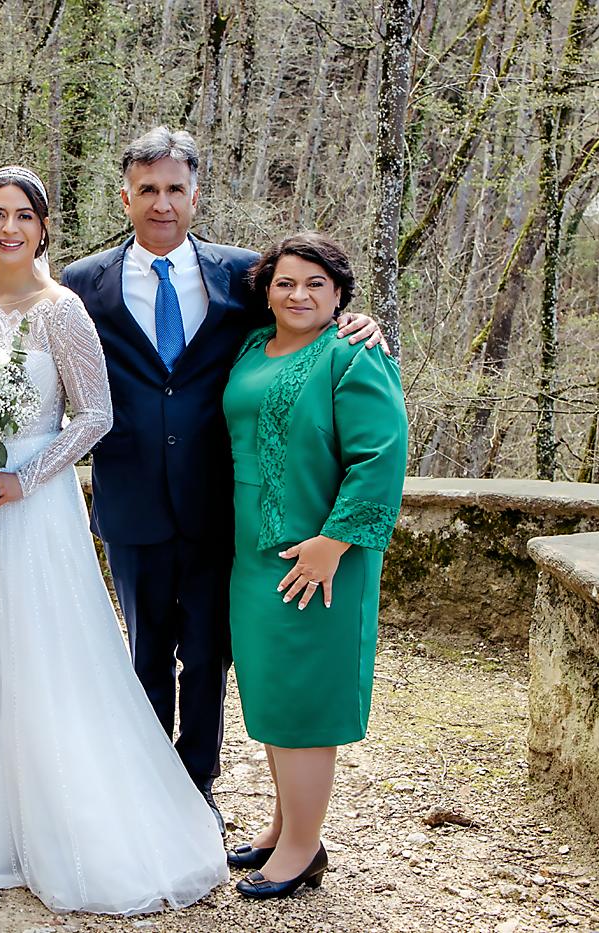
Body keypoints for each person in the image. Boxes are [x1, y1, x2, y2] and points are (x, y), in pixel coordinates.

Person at [0, 166, 229, 916]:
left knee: (43, 655)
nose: (10, 228)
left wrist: (26, 477)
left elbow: (94, 414)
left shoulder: (63, 310)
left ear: (45, 228)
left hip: (32, 510)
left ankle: (61, 813)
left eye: (24, 216)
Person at [56, 128, 385, 832]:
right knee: (144, 653)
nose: (163, 203)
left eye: (176, 188)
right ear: (126, 196)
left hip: (220, 507)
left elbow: (305, 316)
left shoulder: (244, 275)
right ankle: (143, 786)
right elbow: (23, 310)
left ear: (195, 195)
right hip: (132, 499)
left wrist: (361, 321)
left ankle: (195, 786)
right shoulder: (83, 283)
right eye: (148, 189)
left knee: (209, 656)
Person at [221, 233, 407, 898]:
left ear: (339, 296)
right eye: (286, 283)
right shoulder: (251, 346)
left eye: (316, 285)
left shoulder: (353, 354)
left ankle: (303, 849)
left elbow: (381, 456)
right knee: (273, 696)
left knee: (304, 702)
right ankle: (282, 827)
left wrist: (335, 543)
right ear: (266, 290)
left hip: (320, 559)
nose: (299, 295)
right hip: (253, 556)